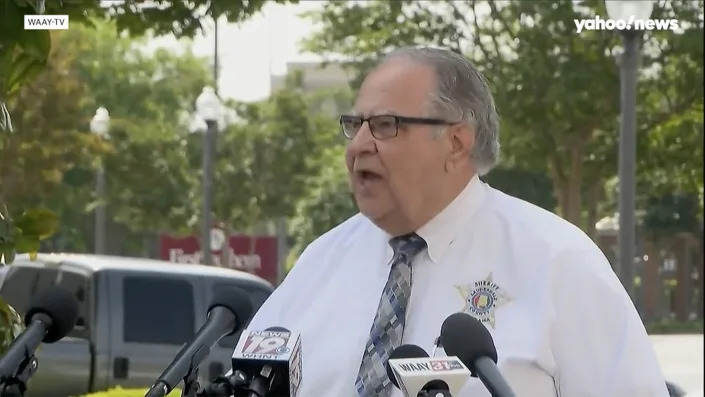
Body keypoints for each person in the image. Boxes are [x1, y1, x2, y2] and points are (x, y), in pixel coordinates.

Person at [245, 46, 669, 397]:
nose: (358, 146)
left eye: (385, 125)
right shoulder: (321, 261)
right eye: (354, 125)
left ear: (456, 141)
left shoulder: (559, 261)